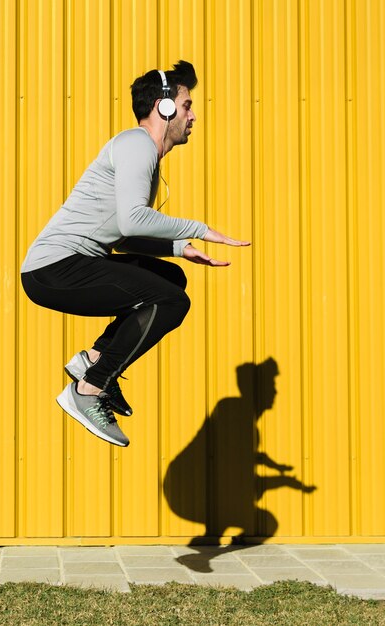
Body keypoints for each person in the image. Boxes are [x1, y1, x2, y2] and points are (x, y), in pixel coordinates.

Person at [20, 60, 250, 447]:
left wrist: (179, 248)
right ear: (164, 107)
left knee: (171, 279)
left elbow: (122, 236)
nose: (193, 116)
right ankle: (90, 389)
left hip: (71, 264)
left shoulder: (143, 154)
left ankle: (94, 360)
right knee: (172, 300)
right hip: (54, 270)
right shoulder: (137, 144)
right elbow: (131, 221)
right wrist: (198, 229)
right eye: (187, 105)